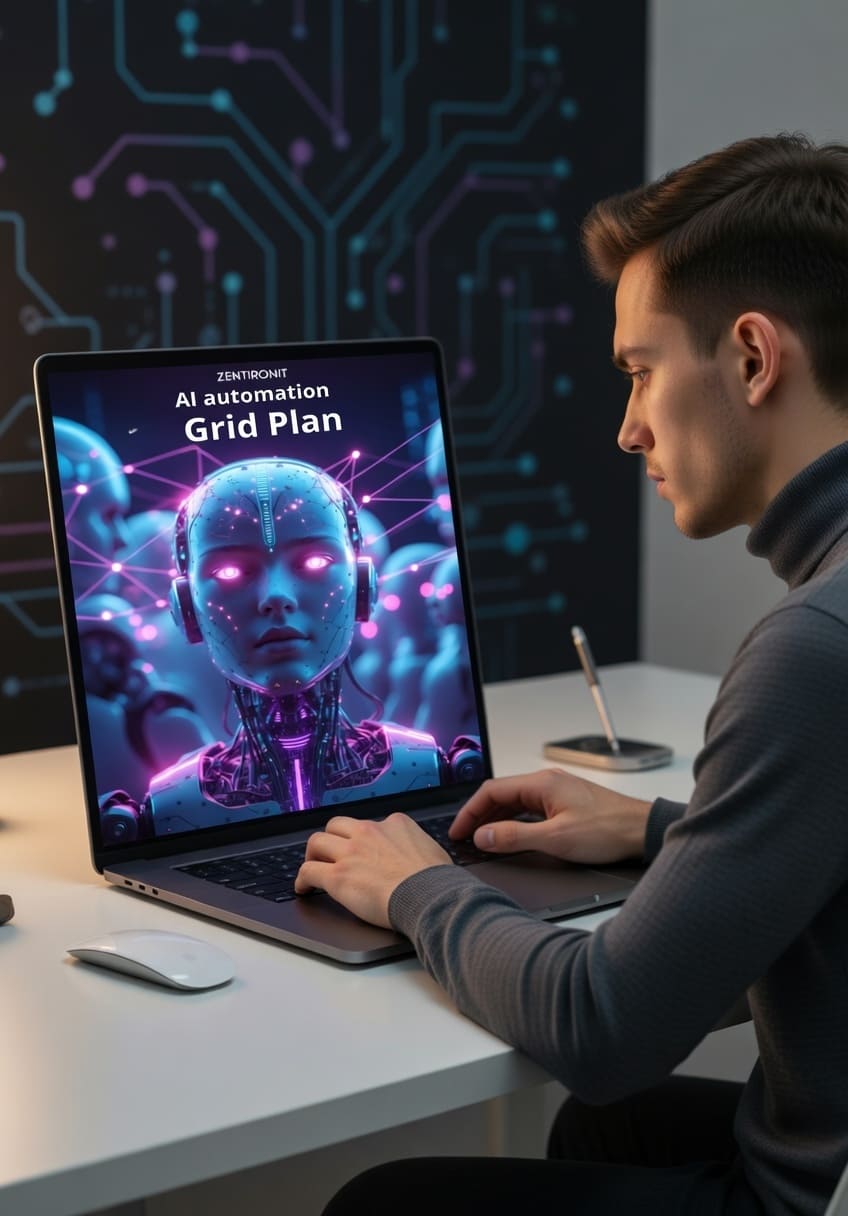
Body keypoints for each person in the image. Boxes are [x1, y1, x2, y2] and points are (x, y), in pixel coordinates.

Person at [298, 133, 848, 1215]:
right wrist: (654, 833)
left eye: (640, 371)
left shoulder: (811, 649)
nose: (627, 425)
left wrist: (417, 887)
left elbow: (603, 1026)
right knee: (615, 1131)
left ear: (749, 357)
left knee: (386, 1203)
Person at [101, 458, 476, 840]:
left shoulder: (427, 767)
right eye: (230, 572)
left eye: (315, 561)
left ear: (362, 586)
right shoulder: (169, 805)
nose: (276, 597)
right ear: (187, 607)